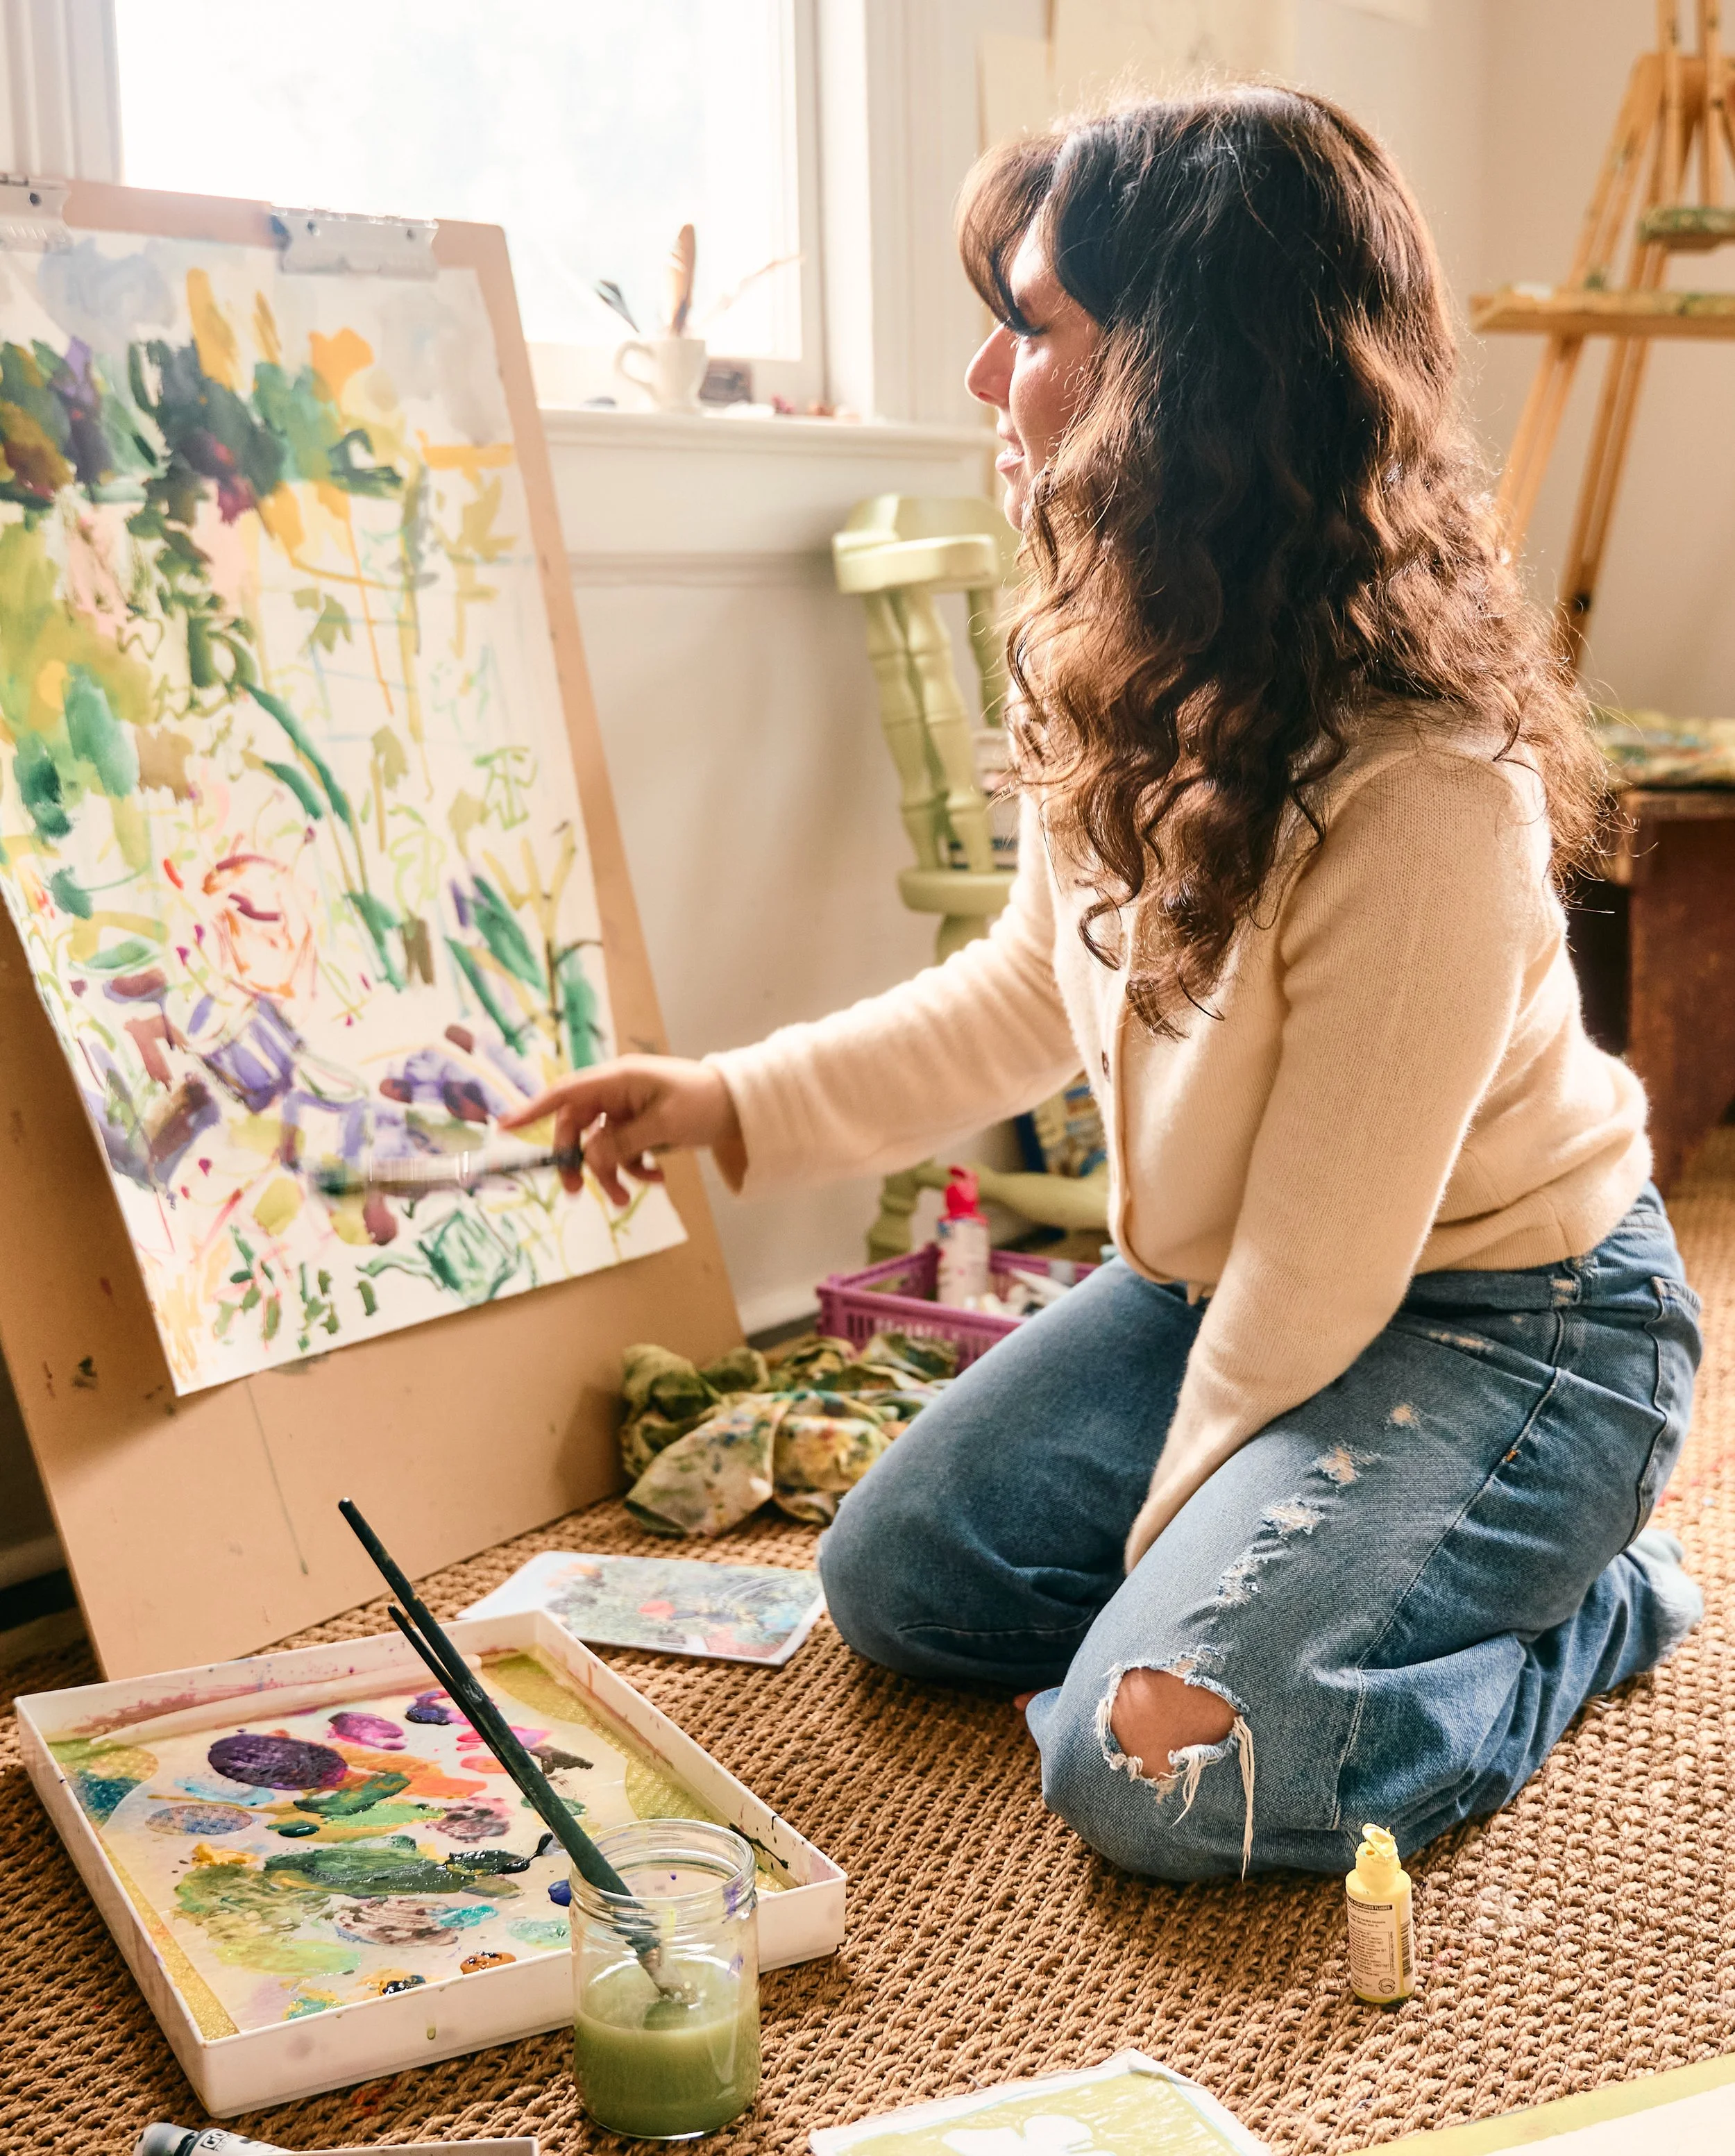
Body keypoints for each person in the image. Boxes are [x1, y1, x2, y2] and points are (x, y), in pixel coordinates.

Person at [507, 87, 1703, 1880]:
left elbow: (1317, 1275)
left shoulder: (1426, 788)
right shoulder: (1118, 664)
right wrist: (731, 1099)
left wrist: (1165, 1602)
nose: (987, 382)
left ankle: (1595, 1606)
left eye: (1033, 326)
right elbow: (1023, 994)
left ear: (1187, 372)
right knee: (898, 1578)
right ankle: (1365, 1598)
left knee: (1160, 1764)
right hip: (1213, 1289)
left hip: (1510, 1324)